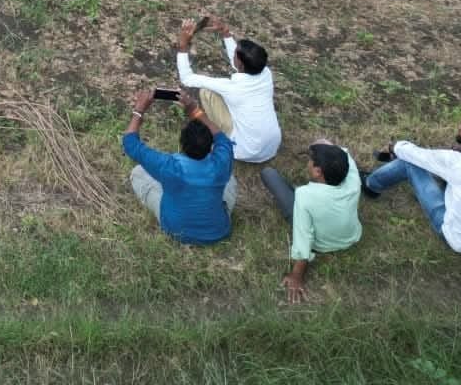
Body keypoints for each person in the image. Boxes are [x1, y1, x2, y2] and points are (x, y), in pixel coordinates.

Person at [363, 113, 461, 257]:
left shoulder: (458, 163)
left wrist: (394, 147)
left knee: (408, 163)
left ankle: (371, 185)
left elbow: (416, 155)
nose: (459, 127)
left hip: (459, 241)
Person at [123, 86, 237, 244]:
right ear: (211, 146)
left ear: (181, 144)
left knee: (138, 172)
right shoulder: (222, 162)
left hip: (176, 230)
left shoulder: (170, 167)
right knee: (230, 178)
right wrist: (194, 109)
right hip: (218, 230)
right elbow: (220, 136)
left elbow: (130, 143)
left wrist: (139, 110)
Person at [261, 142, 362, 303]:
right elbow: (343, 153)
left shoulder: (305, 195)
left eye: (311, 160)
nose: (308, 162)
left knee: (268, 173)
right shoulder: (353, 180)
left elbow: (304, 236)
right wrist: (325, 147)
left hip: (321, 243)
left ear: (317, 171)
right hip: (350, 237)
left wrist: (297, 275)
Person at [175, 16, 281, 164]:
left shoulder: (232, 88)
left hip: (244, 150)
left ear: (241, 65)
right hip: (271, 147)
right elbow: (237, 62)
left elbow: (187, 78)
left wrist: (183, 45)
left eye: (236, 52)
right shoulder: (266, 73)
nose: (234, 52)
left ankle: (219, 138)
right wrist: (225, 33)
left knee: (207, 93)